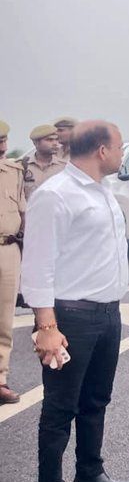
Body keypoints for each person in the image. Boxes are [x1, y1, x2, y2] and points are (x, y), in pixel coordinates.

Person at [21, 121, 129, 482]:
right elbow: (38, 264)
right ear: (102, 150)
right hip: (72, 317)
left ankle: (89, 475)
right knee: (59, 408)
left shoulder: (103, 190)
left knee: (95, 400)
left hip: (107, 313)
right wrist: (46, 326)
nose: (122, 153)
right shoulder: (55, 195)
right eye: (120, 146)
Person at [0, 122, 25, 404]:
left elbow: (22, 211)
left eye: (4, 140)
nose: (2, 147)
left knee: (4, 319)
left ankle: (1, 379)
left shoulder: (15, 171)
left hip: (8, 249)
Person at [22, 124, 66, 202]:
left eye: (56, 139)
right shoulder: (22, 166)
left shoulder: (64, 167)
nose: (55, 143)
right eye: (49, 140)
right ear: (36, 143)